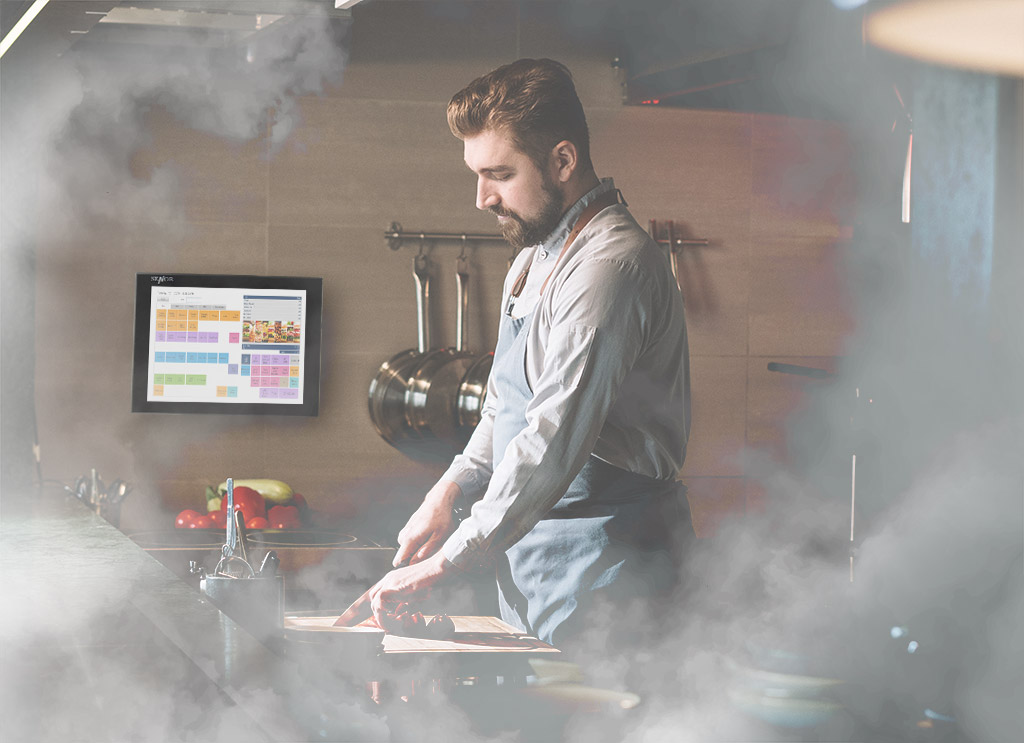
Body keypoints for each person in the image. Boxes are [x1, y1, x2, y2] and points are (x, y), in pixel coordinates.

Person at [350, 58, 692, 651]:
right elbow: (504, 407)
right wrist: (449, 492)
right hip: (539, 576)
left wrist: (448, 561)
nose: (481, 198)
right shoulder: (533, 258)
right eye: (476, 174)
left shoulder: (609, 269)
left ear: (563, 160)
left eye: (499, 174)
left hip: (613, 576)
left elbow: (552, 439)